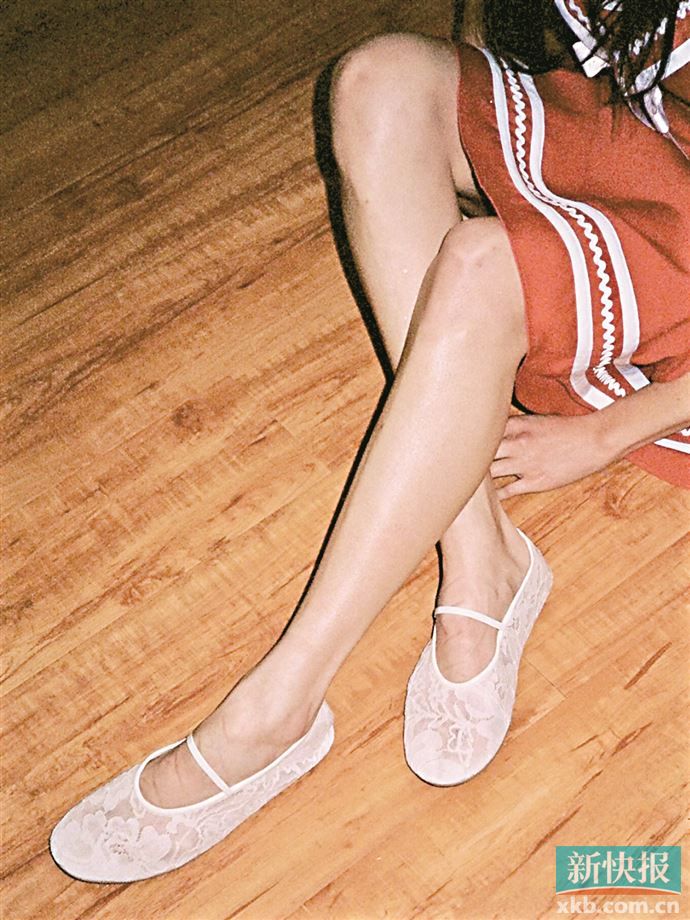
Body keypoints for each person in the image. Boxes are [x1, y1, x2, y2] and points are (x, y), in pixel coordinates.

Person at [49, 0, 689, 883]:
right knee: (379, 83)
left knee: (478, 268)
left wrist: (608, 432)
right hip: (643, 145)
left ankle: (276, 706)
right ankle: (480, 552)